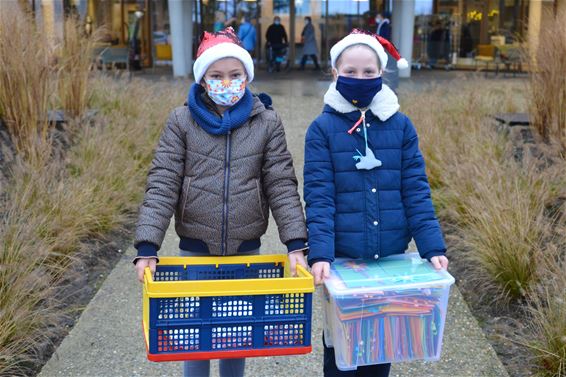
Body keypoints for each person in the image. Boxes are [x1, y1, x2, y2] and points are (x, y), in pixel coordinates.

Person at [133, 27, 308, 377]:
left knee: (237, 332)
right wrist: (147, 245)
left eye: (234, 75)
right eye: (216, 75)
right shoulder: (181, 121)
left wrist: (296, 243)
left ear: (246, 77)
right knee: (196, 337)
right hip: (195, 247)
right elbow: (163, 182)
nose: (225, 82)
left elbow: (281, 184)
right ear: (202, 79)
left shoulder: (266, 122)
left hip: (245, 248)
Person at [303, 29, 448, 377]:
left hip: (388, 259)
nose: (360, 78)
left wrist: (432, 246)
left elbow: (415, 189)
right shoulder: (322, 129)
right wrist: (320, 252)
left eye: (369, 72)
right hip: (343, 259)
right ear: (335, 73)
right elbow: (319, 195)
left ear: (381, 74)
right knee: (341, 346)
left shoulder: (400, 126)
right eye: (350, 71)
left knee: (380, 341)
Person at [375, 12, 398, 91]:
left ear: (381, 16)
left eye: (378, 16)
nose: (376, 18)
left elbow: (384, 36)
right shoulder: (382, 24)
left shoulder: (385, 25)